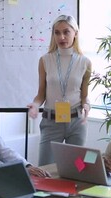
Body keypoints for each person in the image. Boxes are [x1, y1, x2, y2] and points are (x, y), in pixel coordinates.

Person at [27, 14, 92, 166]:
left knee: (77, 169)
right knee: (45, 170)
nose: (61, 37)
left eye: (66, 32)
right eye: (57, 32)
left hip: (76, 122)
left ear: (75, 33)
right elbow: (41, 94)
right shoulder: (45, 60)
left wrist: (87, 106)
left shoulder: (85, 62)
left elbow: (84, 96)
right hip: (51, 121)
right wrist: (35, 105)